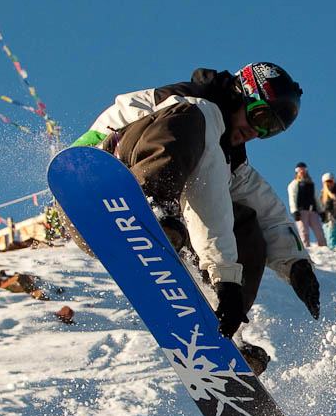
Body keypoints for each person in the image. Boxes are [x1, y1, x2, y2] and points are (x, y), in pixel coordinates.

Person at [71, 63, 321, 372]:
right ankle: (151, 209)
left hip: (161, 223)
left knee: (246, 222)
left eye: (270, 130)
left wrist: (297, 265)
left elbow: (267, 209)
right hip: (96, 191)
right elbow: (209, 200)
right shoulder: (193, 108)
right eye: (260, 117)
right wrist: (225, 276)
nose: (257, 132)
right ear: (240, 94)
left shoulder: (228, 153)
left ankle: (223, 329)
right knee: (194, 128)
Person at [288, 162, 326, 248]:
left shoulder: (311, 184)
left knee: (319, 231)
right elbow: (292, 197)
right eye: (299, 170)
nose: (302, 171)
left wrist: (321, 211)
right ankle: (306, 248)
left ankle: (323, 247)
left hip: (313, 211)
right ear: (297, 171)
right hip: (301, 211)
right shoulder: (294, 184)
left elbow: (316, 197)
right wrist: (294, 211)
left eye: (303, 169)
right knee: (304, 231)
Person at [320, 172, 336, 249]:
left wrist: (334, 217)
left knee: (332, 238)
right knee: (326, 239)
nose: (329, 184)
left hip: (335, 218)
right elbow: (321, 207)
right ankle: (332, 254)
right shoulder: (323, 194)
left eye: (331, 181)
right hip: (326, 220)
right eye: (327, 182)